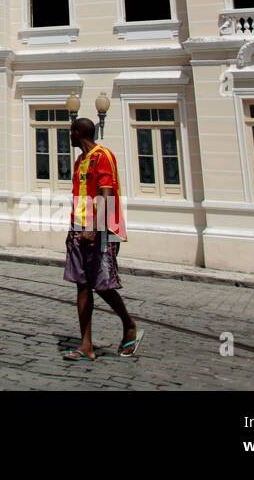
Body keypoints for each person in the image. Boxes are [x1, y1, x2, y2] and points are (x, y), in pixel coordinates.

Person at [62, 117, 143, 361]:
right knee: (82, 284)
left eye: (70, 133)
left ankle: (129, 324)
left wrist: (95, 228)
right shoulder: (80, 161)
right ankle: (85, 344)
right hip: (78, 227)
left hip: (101, 230)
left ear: (78, 133)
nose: (69, 137)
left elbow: (107, 192)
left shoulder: (102, 155)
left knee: (102, 284)